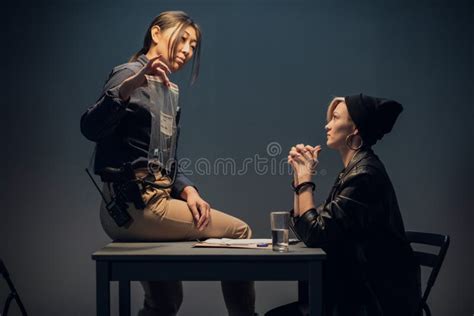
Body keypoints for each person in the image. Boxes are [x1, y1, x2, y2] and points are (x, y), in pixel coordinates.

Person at [80, 11, 255, 316]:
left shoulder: (168, 90)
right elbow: (89, 128)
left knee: (165, 303)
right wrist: (128, 86)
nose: (188, 50)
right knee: (238, 232)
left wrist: (188, 190)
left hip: (150, 202)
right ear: (156, 33)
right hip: (137, 207)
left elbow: (164, 161)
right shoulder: (127, 74)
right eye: (183, 39)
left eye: (193, 45)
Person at [266, 94, 421, 316]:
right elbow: (306, 229)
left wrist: (305, 180)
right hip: (353, 289)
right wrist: (299, 176)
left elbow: (315, 233)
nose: (327, 125)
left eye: (335, 118)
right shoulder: (354, 170)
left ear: (355, 128)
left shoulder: (364, 175)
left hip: (372, 300)